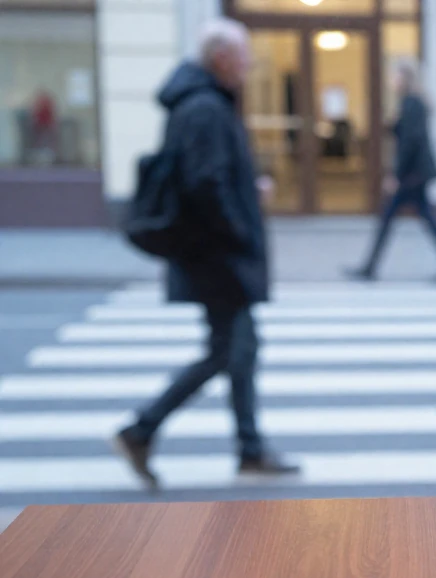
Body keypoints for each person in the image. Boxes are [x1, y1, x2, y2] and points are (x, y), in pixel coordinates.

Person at [112, 18, 299, 488]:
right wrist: (238, 229)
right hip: (218, 258)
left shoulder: (203, 103)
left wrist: (245, 189)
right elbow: (205, 185)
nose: (248, 65)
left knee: (241, 350)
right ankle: (142, 429)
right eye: (242, 56)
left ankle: (249, 449)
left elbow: (211, 177)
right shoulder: (204, 109)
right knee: (227, 351)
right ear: (220, 58)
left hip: (216, 256)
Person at [346, 62, 436, 281]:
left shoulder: (412, 103)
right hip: (415, 174)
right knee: (423, 218)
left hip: (412, 175)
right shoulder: (411, 103)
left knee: (391, 218)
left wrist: (396, 175)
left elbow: (410, 142)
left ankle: (369, 268)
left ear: (405, 78)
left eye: (394, 76)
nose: (392, 81)